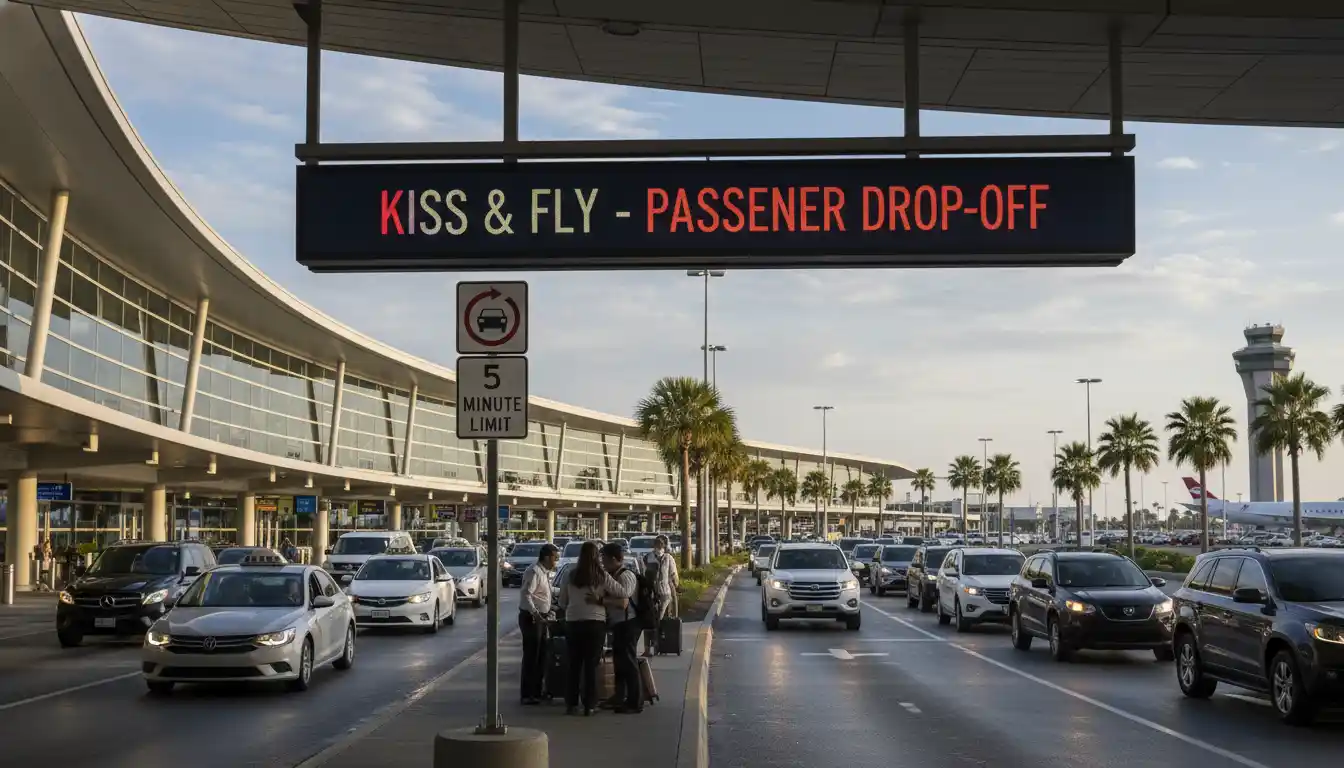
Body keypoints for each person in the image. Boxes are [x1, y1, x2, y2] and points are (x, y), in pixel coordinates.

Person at [557, 541, 623, 716]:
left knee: (574, 664)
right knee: (591, 665)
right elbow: (622, 592)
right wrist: (602, 599)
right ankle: (589, 705)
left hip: (573, 622)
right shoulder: (601, 575)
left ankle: (571, 704)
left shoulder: (570, 575)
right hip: (595, 622)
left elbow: (562, 601)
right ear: (597, 556)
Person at [599, 542, 642, 714]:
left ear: (614, 559)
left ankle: (635, 702)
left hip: (629, 624)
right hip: (618, 624)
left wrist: (602, 601)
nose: (603, 563)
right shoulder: (614, 575)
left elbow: (624, 600)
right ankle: (619, 696)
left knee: (629, 663)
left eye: (605, 559)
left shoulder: (626, 576)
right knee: (619, 663)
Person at [518, 542, 558, 705]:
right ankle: (527, 694)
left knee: (541, 656)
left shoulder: (544, 572)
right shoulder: (534, 572)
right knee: (531, 656)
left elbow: (544, 594)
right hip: (532, 618)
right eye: (555, 558)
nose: (556, 561)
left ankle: (537, 691)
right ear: (547, 557)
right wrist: (535, 613)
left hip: (542, 617)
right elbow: (527, 595)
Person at [642, 534, 679, 656]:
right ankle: (648, 648)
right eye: (657, 545)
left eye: (661, 545)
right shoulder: (647, 558)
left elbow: (673, 576)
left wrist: (676, 587)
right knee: (649, 621)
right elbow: (643, 575)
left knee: (659, 619)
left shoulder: (668, 558)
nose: (659, 547)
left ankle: (659, 646)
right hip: (651, 594)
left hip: (665, 594)